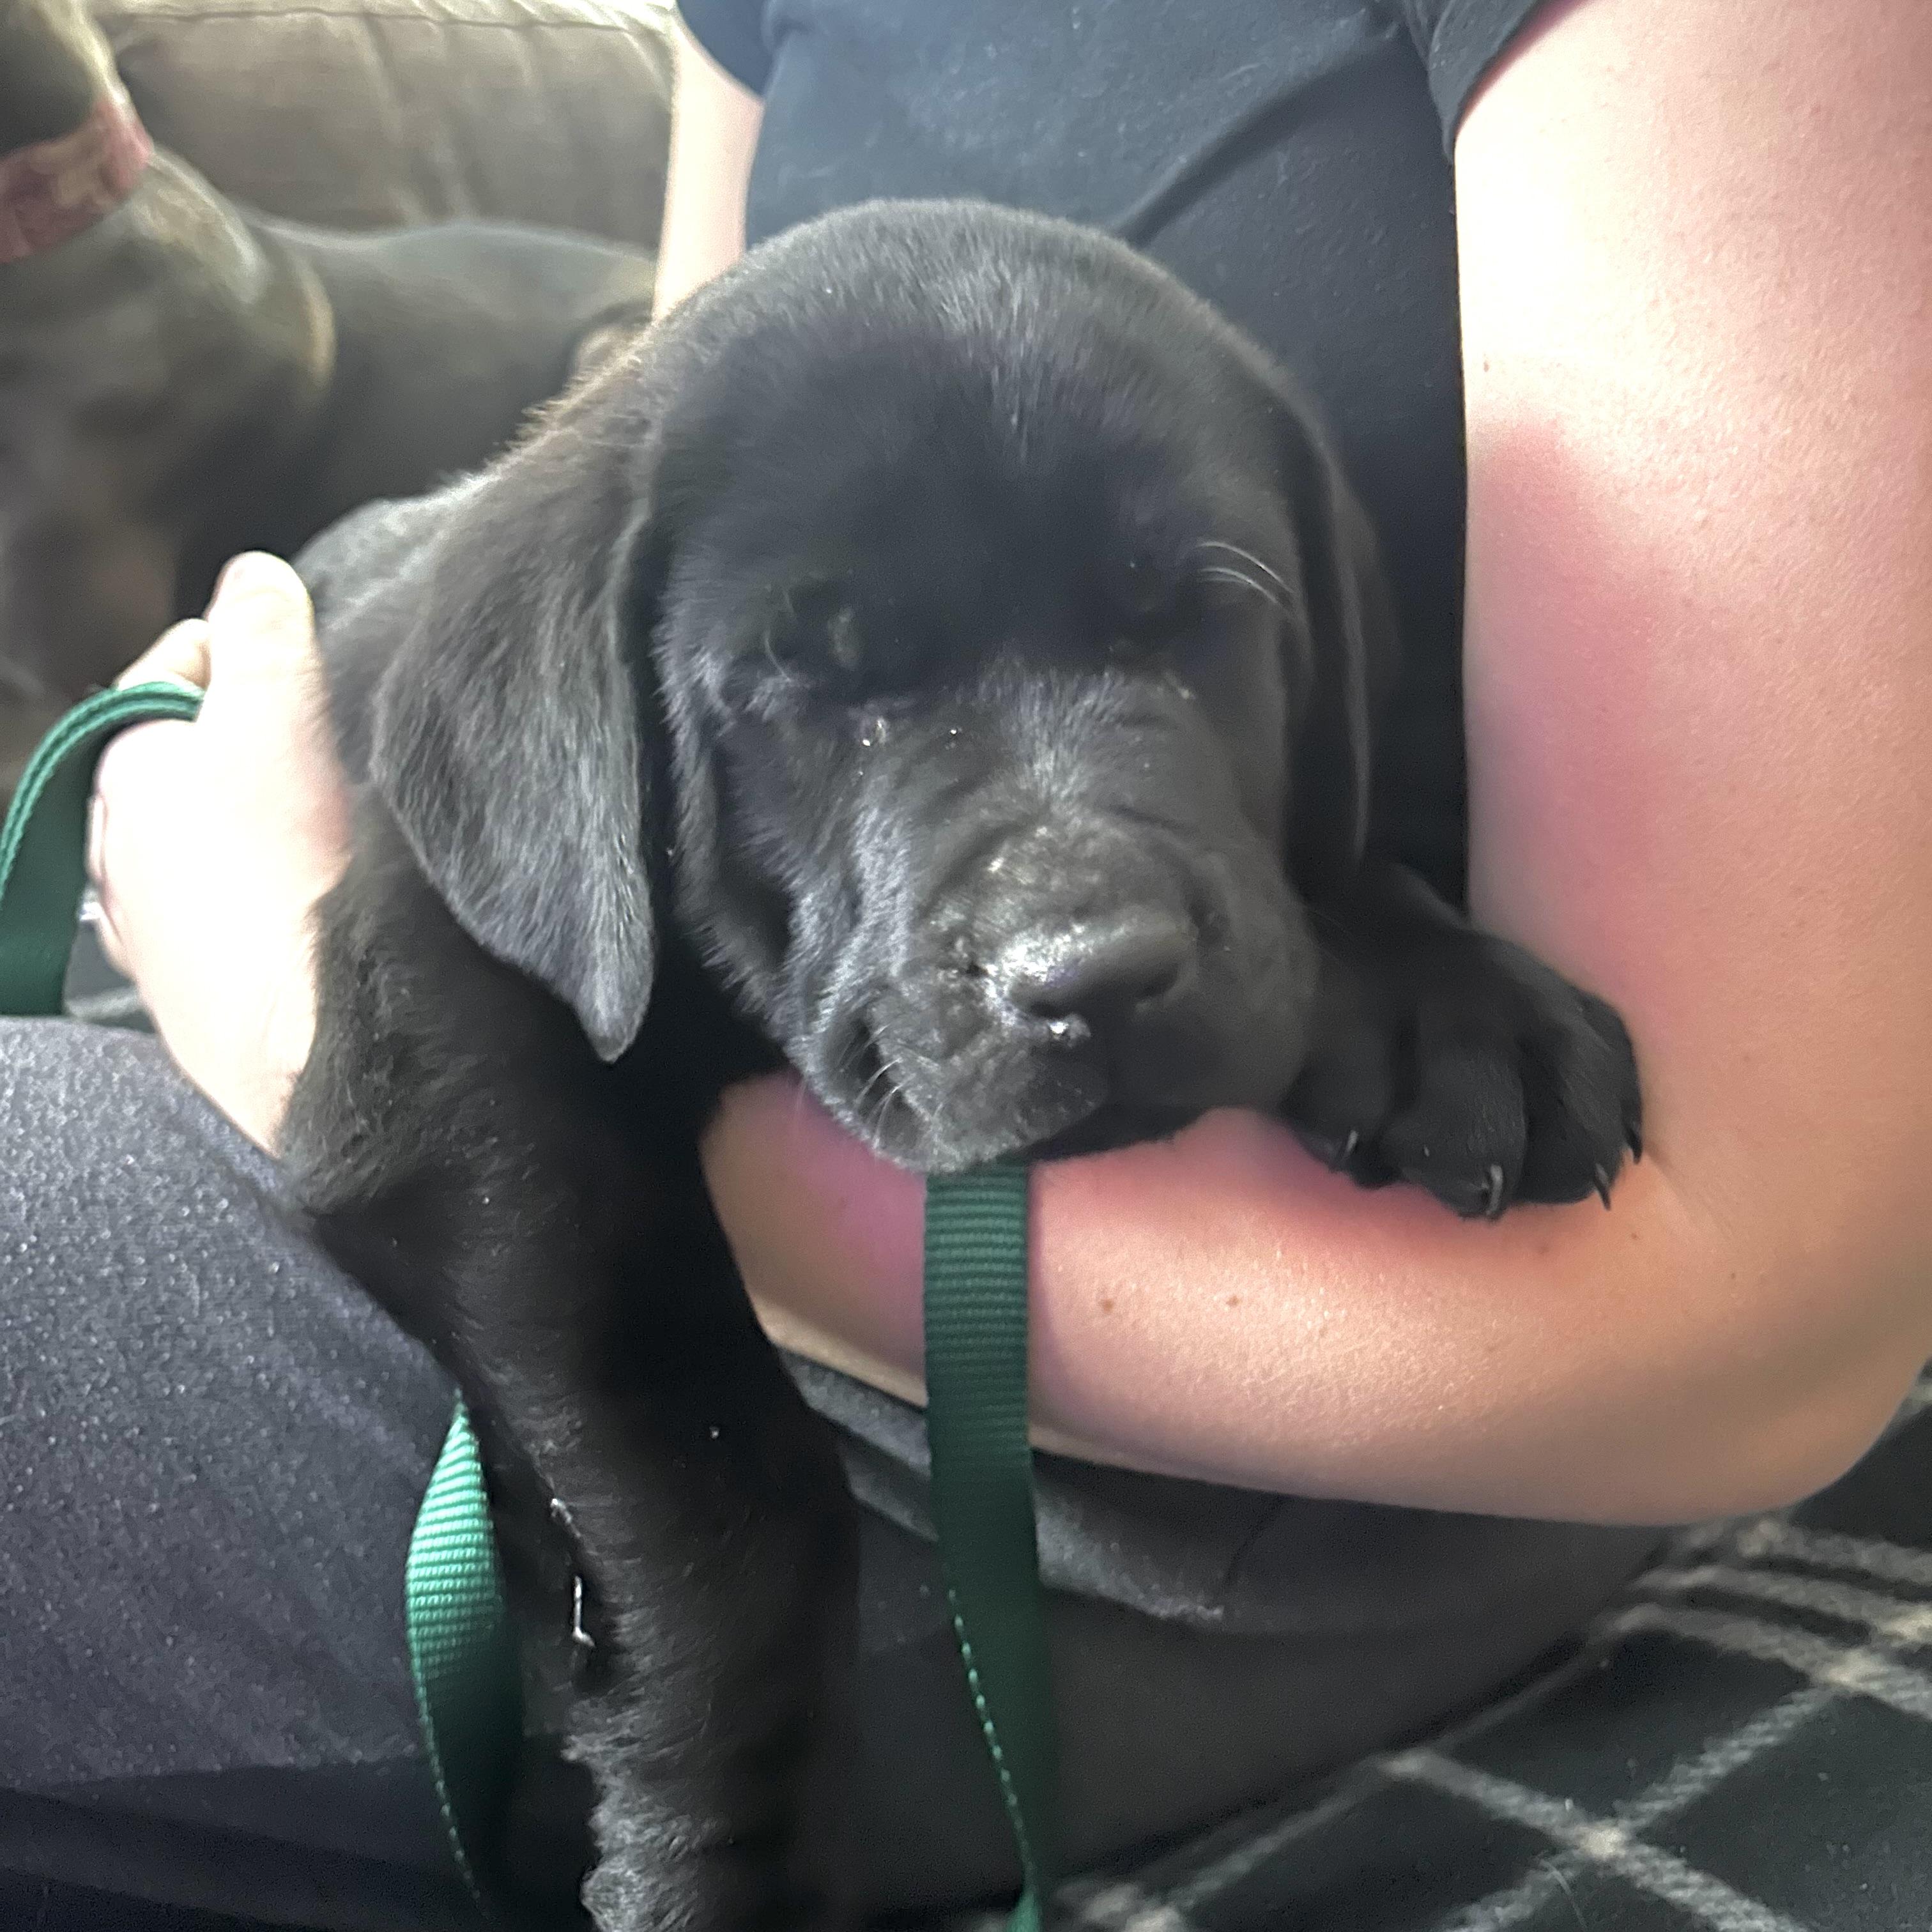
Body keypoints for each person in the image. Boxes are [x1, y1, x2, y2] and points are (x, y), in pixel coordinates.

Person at [3, 0, 1929, 1926]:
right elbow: (659, 468)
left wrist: (264, 979)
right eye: (829, 678)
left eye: (1197, 615)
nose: (1080, 920)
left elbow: (1767, 1319)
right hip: (454, 950)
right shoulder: (590, 643)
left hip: (1324, 1408)